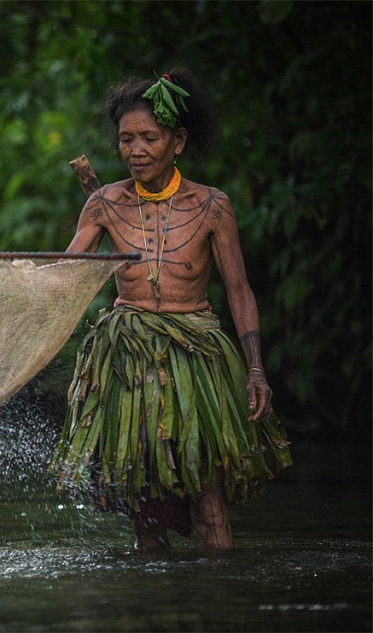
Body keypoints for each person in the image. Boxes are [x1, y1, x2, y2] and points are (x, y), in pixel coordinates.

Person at [53, 69, 292, 551]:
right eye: (126, 139)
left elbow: (240, 290)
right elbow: (65, 275)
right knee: (141, 504)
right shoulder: (104, 204)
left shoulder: (212, 206)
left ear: (177, 141)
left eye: (149, 137)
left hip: (197, 359)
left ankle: (214, 601)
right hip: (126, 360)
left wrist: (255, 371)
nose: (135, 150)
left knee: (210, 504)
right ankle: (155, 602)